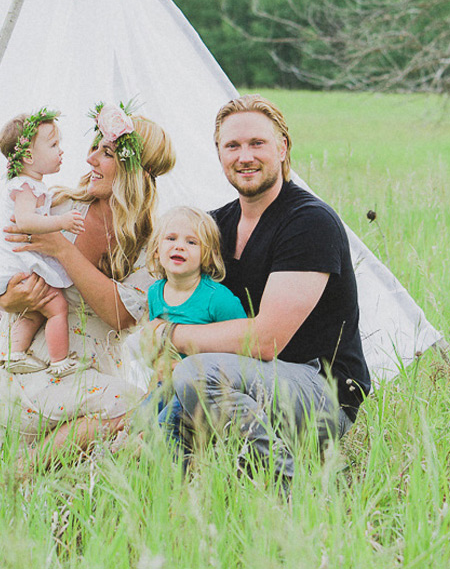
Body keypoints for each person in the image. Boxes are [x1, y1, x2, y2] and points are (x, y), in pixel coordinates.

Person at [153, 95, 371, 484]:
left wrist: (173, 335)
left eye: (257, 143)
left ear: (282, 148)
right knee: (148, 413)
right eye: (232, 146)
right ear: (219, 154)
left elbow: (266, 340)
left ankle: (285, 487)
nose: (244, 156)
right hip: (247, 382)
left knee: (193, 375)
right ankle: (179, 501)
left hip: (321, 391)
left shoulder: (309, 222)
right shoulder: (216, 226)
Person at [0, 103, 176, 457]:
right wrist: (6, 299)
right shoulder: (57, 207)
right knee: (133, 407)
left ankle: (27, 467)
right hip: (27, 365)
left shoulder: (152, 243)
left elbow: (122, 316)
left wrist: (64, 253)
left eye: (107, 152)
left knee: (143, 414)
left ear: (134, 170)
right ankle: (26, 465)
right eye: (94, 147)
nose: (91, 159)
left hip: (92, 371)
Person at [0, 109, 87, 378]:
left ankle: (15, 353)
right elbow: (25, 221)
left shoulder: (27, 184)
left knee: (37, 309)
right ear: (28, 156)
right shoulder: (26, 187)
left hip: (16, 263)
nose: (61, 151)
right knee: (57, 307)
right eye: (53, 145)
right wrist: (61, 223)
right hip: (16, 264)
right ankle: (60, 361)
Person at [139, 205, 246, 423]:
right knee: (137, 422)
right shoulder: (155, 293)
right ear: (157, 250)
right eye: (171, 238)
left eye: (191, 242)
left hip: (201, 387)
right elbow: (155, 346)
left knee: (166, 425)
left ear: (207, 256)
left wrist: (181, 368)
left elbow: (242, 349)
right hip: (164, 382)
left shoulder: (218, 298)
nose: (180, 246)